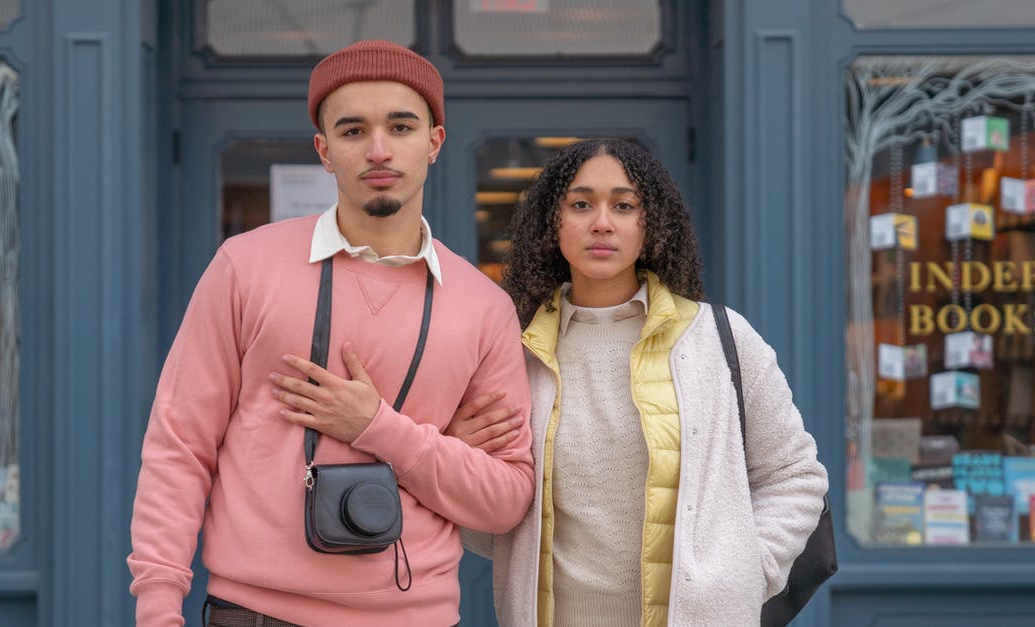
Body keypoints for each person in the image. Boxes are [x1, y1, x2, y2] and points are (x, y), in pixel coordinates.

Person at [127, 40, 535, 627]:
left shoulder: (484, 307)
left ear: (435, 143)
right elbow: (180, 444)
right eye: (352, 131)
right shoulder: (246, 266)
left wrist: (382, 430)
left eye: (400, 126)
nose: (378, 150)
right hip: (254, 611)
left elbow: (504, 499)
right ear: (323, 150)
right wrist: (159, 604)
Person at [452, 138, 829, 626]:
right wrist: (458, 455)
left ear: (651, 225)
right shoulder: (513, 350)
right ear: (553, 222)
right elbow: (485, 507)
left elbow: (794, 474)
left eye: (625, 205)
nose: (602, 222)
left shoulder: (719, 338)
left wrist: (745, 571)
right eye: (581, 204)